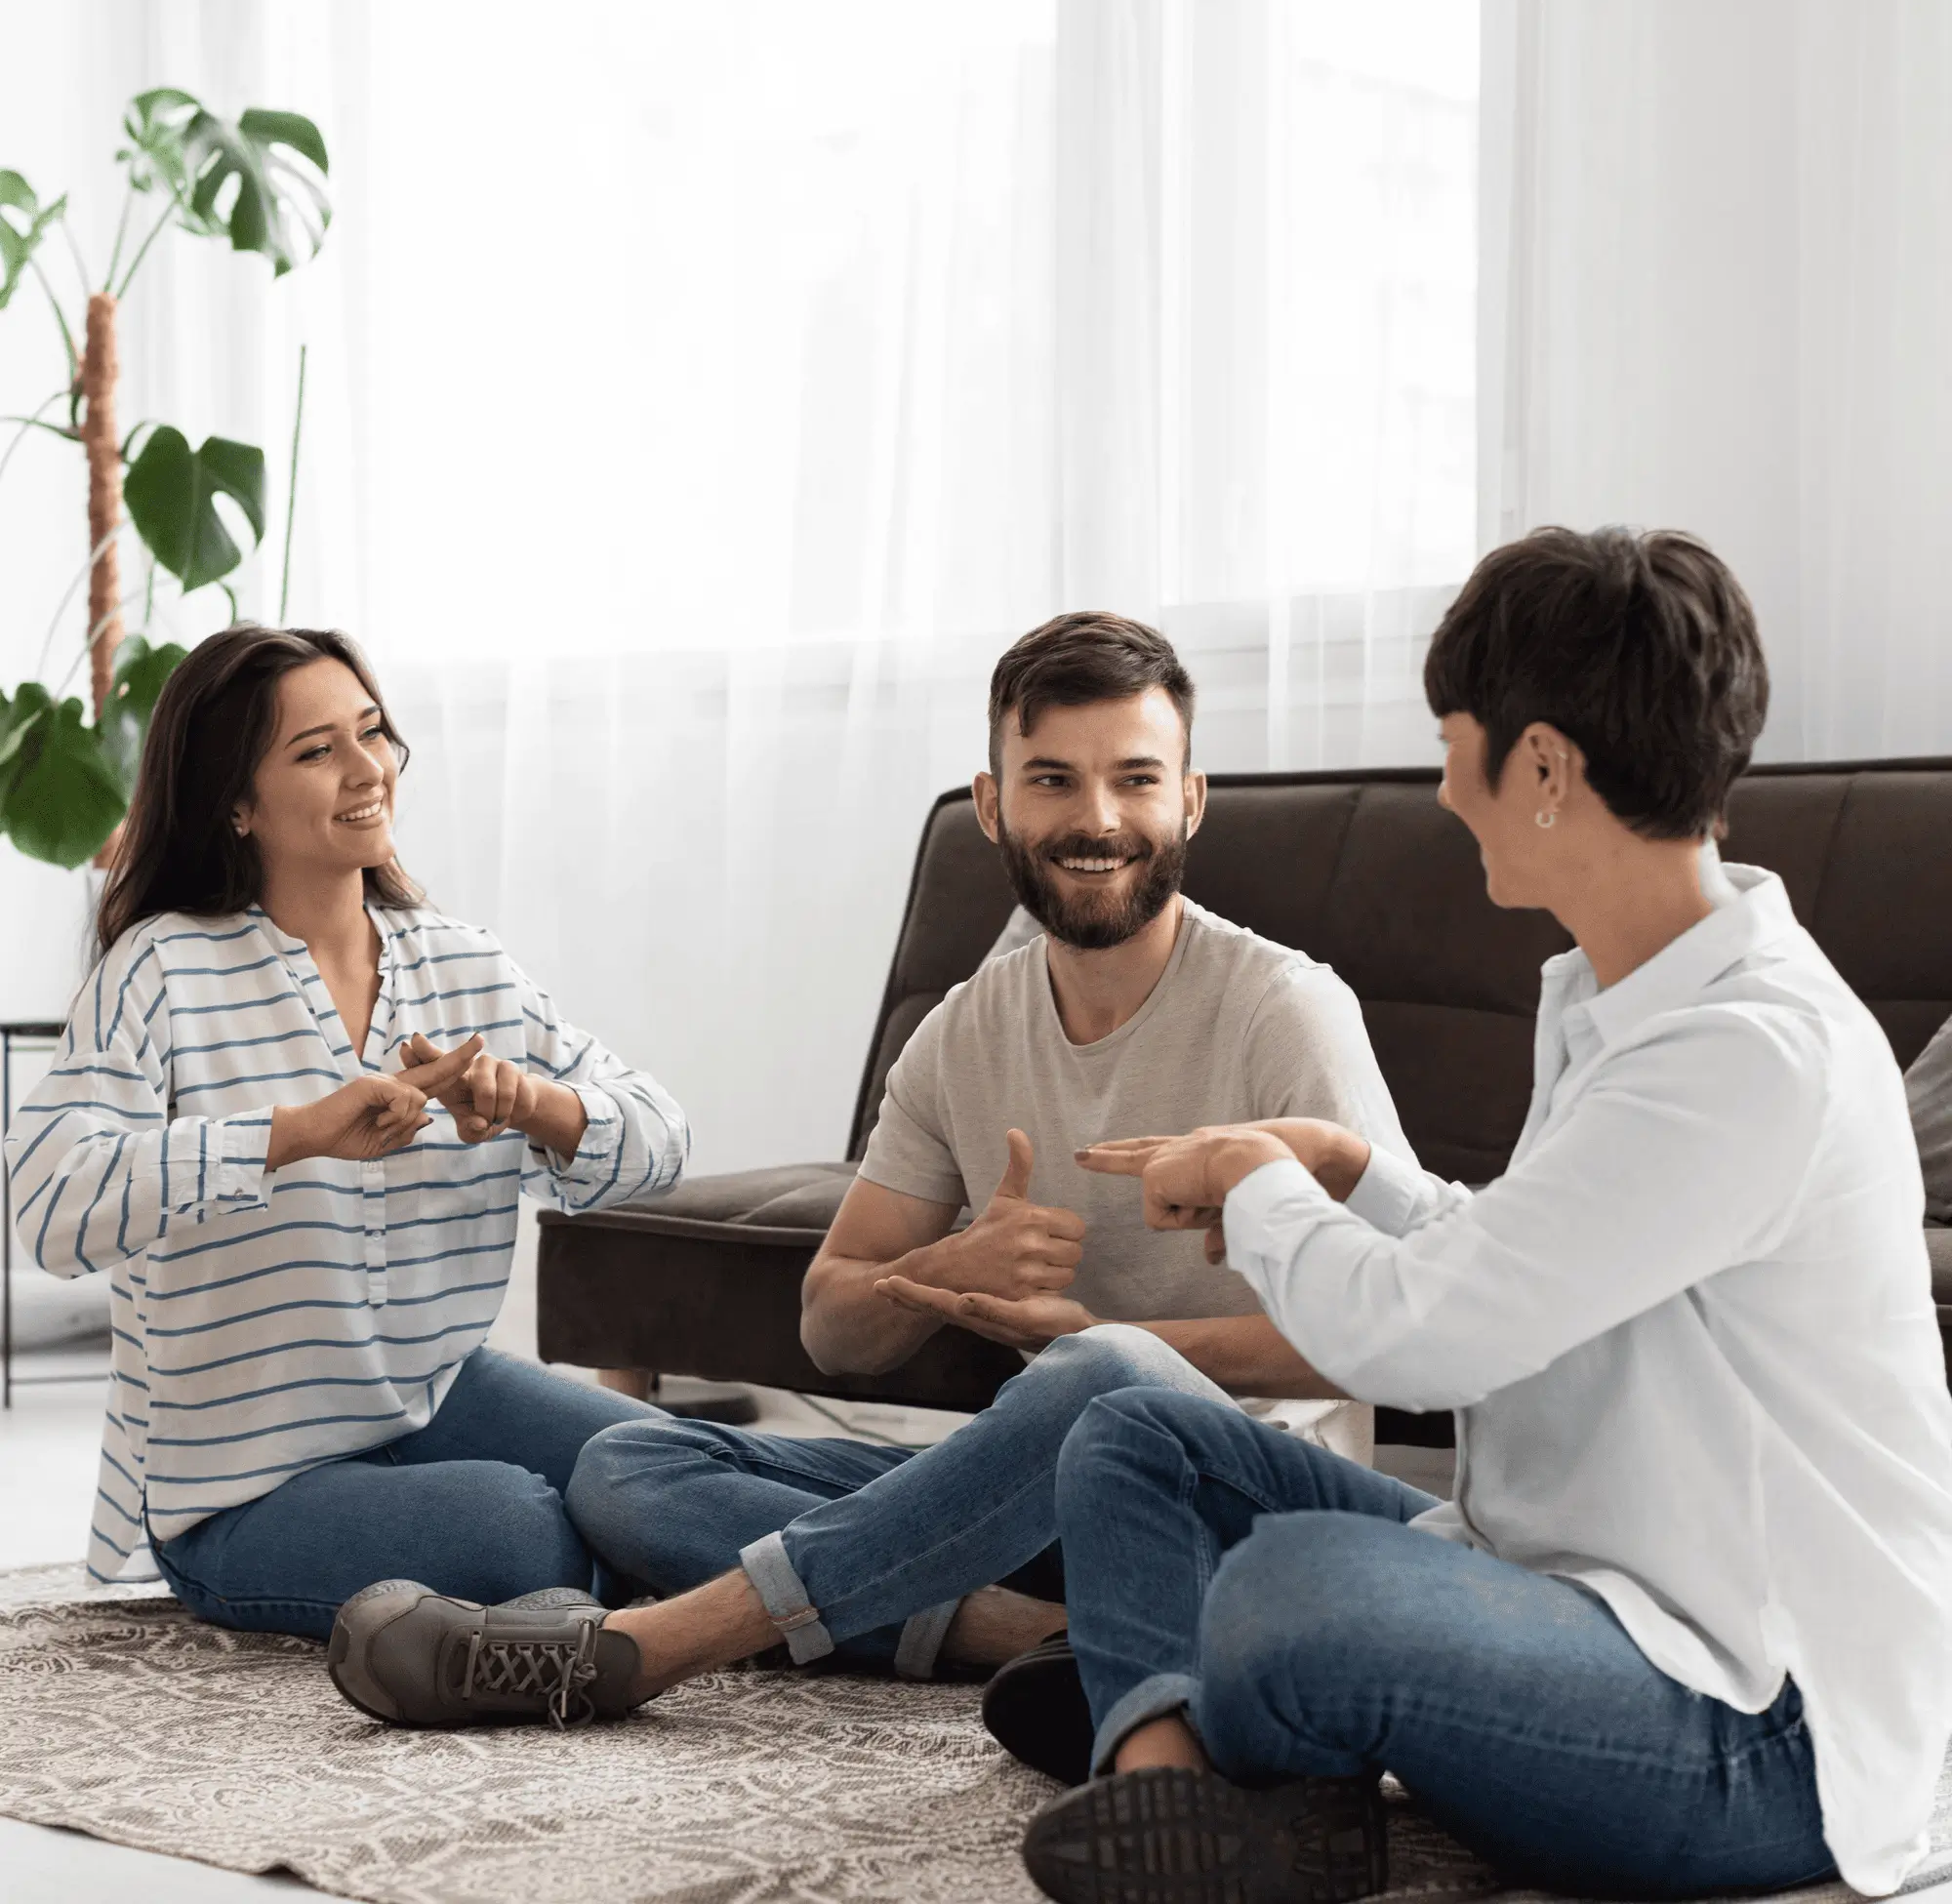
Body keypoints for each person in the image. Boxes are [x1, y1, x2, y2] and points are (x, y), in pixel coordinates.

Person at [1004, 528, 1952, 1904]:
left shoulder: (1748, 1052)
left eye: (1459, 742)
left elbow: (1420, 1343)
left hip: (1762, 1728)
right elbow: (1534, 1264)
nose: (1446, 785)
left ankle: (1183, 1703)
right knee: (1133, 1427)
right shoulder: (1626, 1003)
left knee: (1293, 1591)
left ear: (1548, 768)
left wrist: (1256, 1183)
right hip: (1570, 1587)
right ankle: (1178, 1786)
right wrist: (1353, 1171)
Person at [325, 610, 1412, 1750]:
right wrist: (934, 1271)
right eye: (1052, 779)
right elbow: (833, 1326)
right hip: (1035, 1503)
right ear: (993, 804)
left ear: (1187, 800)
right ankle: (1026, 1630)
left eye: (1134, 779)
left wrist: (1100, 1333)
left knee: (1107, 1369)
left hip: (1231, 1508)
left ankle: (651, 1648)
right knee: (631, 1462)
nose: (1096, 818)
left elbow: (1385, 1327)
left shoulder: (1282, 1009)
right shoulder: (964, 1030)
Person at [3, 627, 687, 1639]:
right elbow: (47, 1206)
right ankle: (724, 1585)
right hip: (240, 1488)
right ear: (235, 802)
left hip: (440, 1394)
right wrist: (287, 1134)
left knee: (670, 1467)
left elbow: (662, 1141)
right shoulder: (161, 971)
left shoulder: (465, 966)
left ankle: (950, 1591)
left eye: (372, 733)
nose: (367, 767)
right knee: (515, 1529)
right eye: (316, 749)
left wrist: (531, 1103)